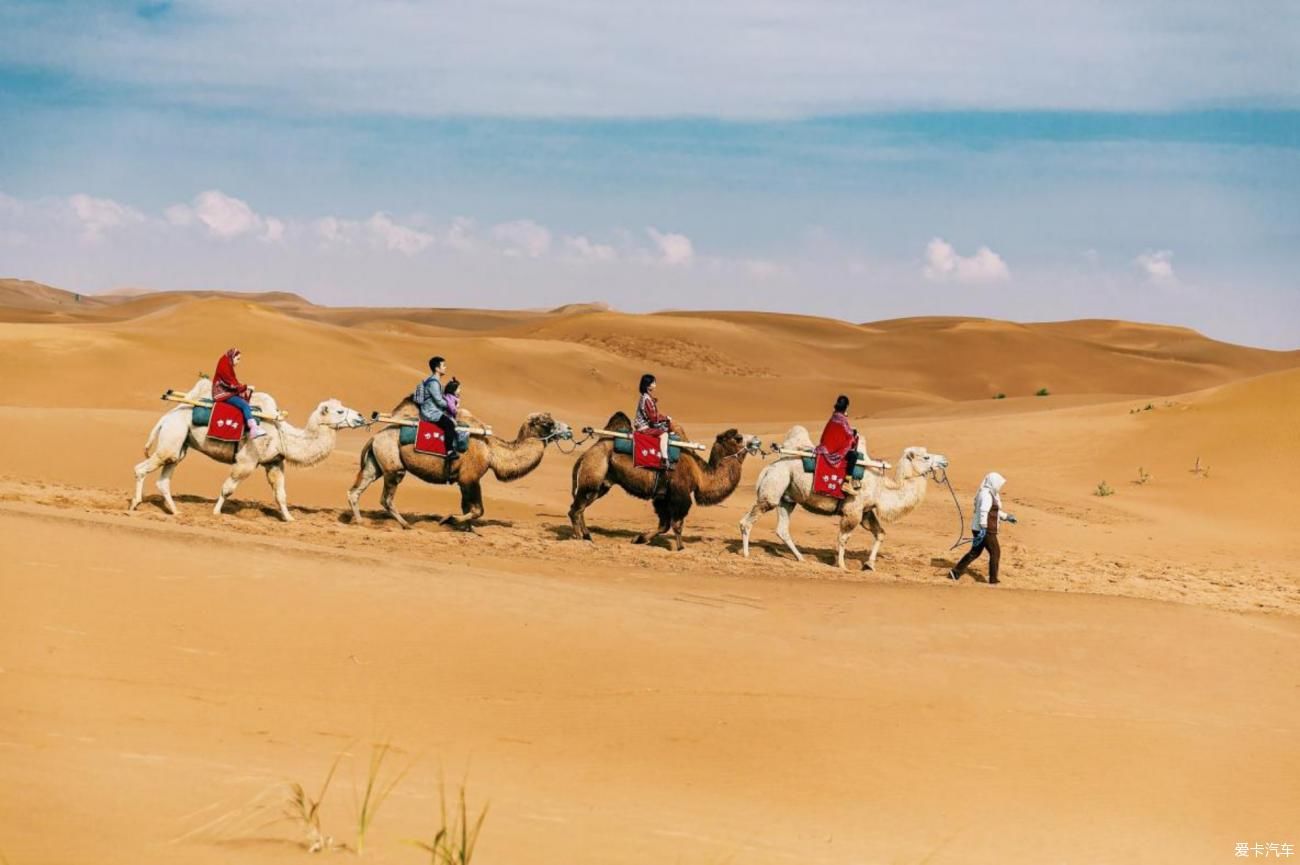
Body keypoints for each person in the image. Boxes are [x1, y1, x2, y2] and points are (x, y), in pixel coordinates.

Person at [949, 472, 1017, 584]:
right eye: (999, 483)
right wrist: (983, 528)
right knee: (995, 552)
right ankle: (993, 579)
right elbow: (984, 511)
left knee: (975, 552)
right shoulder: (986, 495)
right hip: (986, 529)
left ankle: (955, 572)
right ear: (993, 483)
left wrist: (1006, 517)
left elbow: (994, 510)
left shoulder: (989, 493)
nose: (1000, 486)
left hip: (980, 528)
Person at [212, 348, 266, 439]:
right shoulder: (224, 366)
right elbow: (231, 384)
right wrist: (245, 387)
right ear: (232, 357)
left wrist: (242, 386)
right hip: (223, 393)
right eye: (237, 359)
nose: (238, 362)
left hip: (225, 390)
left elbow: (232, 381)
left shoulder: (226, 363)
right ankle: (253, 429)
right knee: (244, 405)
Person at [413, 356, 459, 460]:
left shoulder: (434, 381)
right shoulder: (433, 382)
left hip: (433, 410)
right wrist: (450, 405)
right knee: (449, 424)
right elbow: (439, 401)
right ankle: (449, 451)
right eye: (443, 365)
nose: (445, 367)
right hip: (431, 413)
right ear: (437, 369)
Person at [815, 394, 861, 490]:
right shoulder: (842, 418)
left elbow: (839, 432)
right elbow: (848, 434)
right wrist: (854, 432)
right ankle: (847, 482)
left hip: (825, 447)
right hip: (833, 451)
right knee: (854, 455)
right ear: (846, 406)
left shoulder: (835, 416)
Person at [633, 373, 672, 467]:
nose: (655, 385)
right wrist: (666, 418)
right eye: (653, 383)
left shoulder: (647, 397)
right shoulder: (647, 399)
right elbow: (653, 418)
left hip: (645, 425)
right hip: (643, 428)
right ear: (647, 385)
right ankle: (664, 459)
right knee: (664, 434)